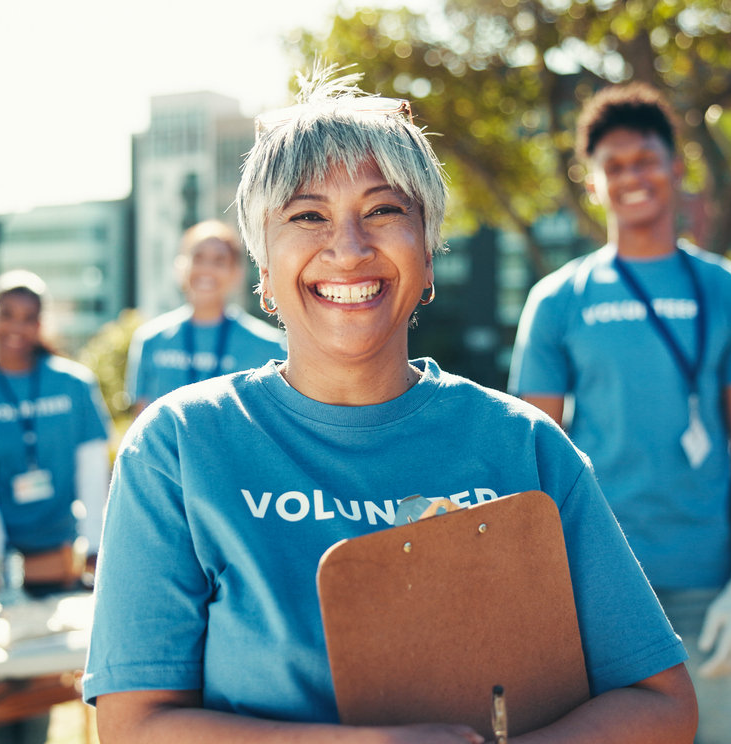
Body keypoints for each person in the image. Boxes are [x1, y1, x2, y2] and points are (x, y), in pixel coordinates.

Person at [83, 70, 697, 743]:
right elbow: (133, 725)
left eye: (382, 210)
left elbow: (659, 704)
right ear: (261, 268)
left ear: (428, 255)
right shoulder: (179, 447)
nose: (347, 249)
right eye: (306, 215)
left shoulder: (523, 444)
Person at [509, 83, 731, 744]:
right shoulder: (557, 299)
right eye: (614, 165)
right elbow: (529, 453)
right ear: (592, 181)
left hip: (707, 585)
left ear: (676, 166)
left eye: (646, 159)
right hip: (595, 585)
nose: (631, 176)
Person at [0, 270, 113, 744]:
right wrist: (8, 567)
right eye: (7, 315)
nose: (17, 326)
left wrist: (93, 550)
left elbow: (93, 479)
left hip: (58, 553)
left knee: (39, 687)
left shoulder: (75, 385)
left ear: (42, 322)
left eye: (29, 317)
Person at [125, 220, 284, 415]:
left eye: (219, 261)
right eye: (198, 258)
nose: (207, 269)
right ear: (180, 266)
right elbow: (141, 424)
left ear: (237, 273)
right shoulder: (151, 339)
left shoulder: (270, 346)